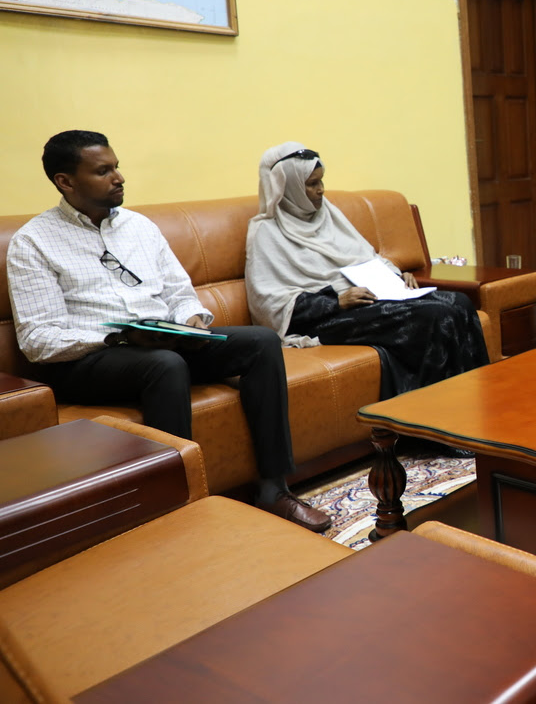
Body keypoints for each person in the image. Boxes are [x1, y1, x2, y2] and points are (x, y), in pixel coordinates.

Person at [7, 130, 331, 532]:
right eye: (103, 171)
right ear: (65, 181)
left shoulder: (139, 227)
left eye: (117, 167)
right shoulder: (33, 242)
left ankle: (274, 488)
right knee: (163, 364)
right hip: (92, 359)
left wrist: (192, 322)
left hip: (162, 342)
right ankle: (175, 510)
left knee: (260, 342)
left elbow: (180, 294)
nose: (119, 177)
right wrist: (121, 337)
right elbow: (38, 341)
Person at [244, 142, 488, 401]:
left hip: (368, 298)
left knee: (460, 302)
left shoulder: (327, 214)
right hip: (327, 317)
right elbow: (269, 305)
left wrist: (397, 277)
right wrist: (337, 301)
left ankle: (479, 398)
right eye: (312, 184)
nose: (321, 190)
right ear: (287, 186)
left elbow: (366, 257)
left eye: (321, 181)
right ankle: (435, 410)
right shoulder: (266, 232)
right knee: (434, 315)